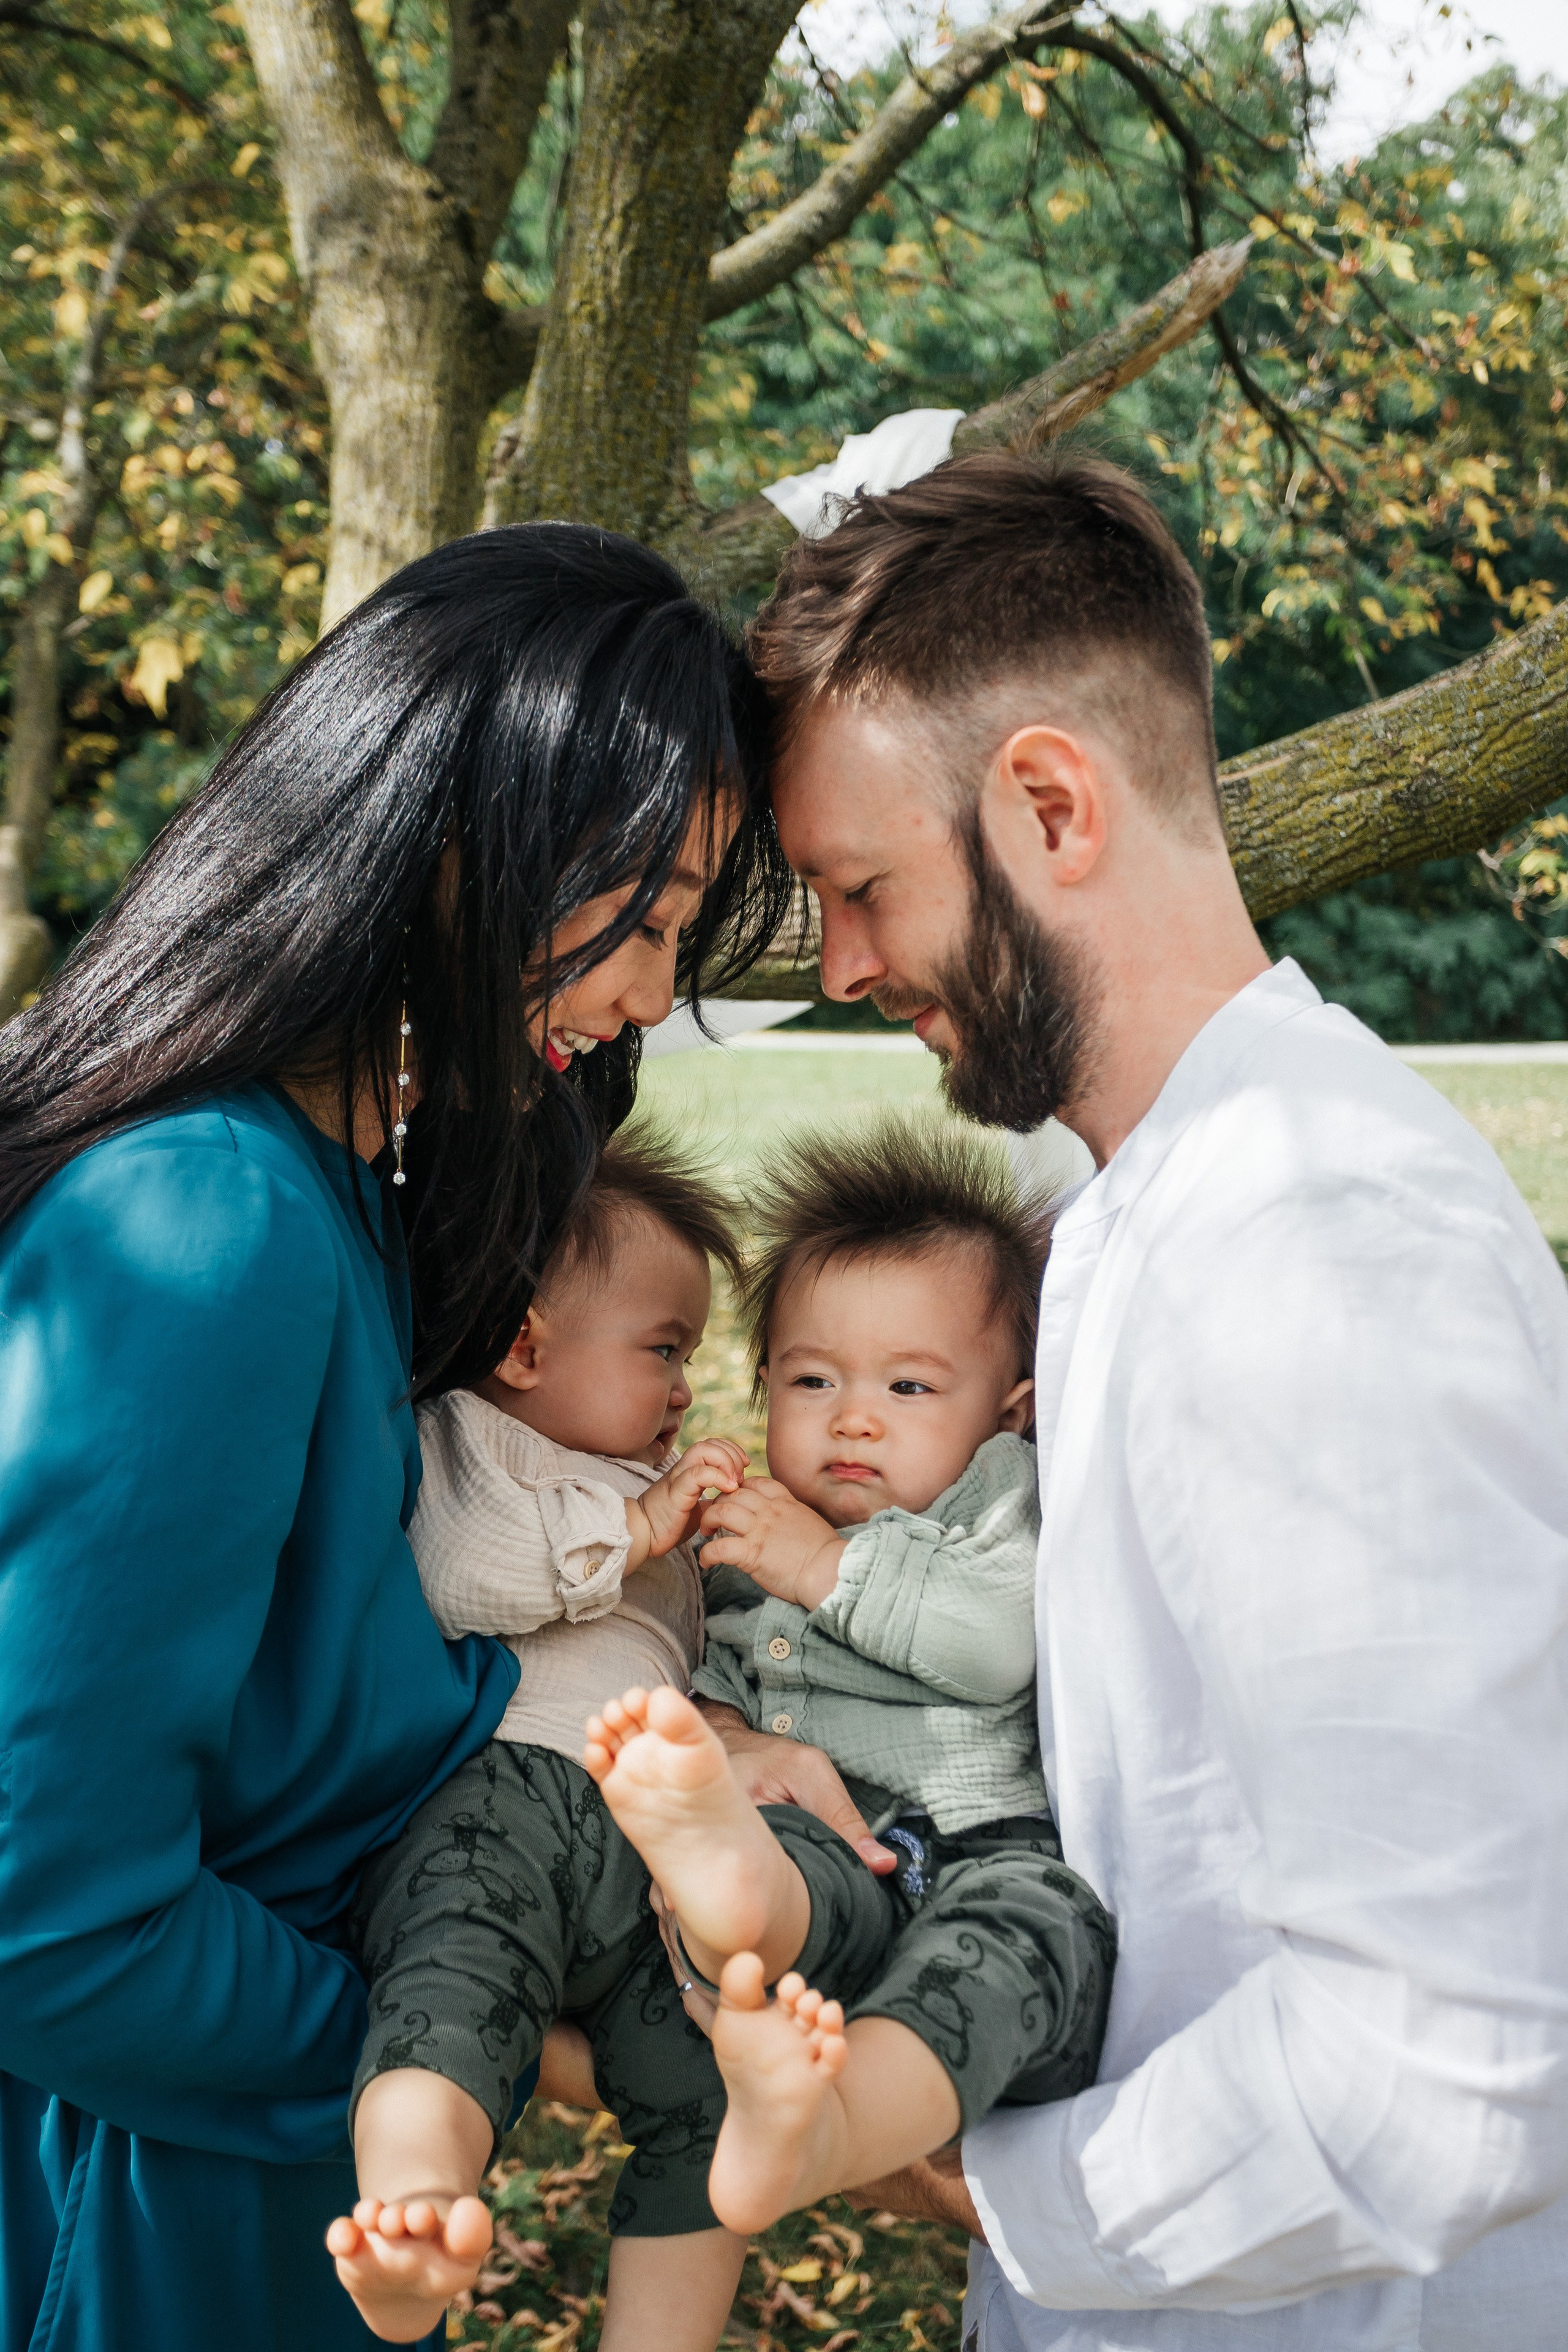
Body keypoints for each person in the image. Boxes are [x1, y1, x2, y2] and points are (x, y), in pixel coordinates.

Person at [722, 448, 1568, 2351]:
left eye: (863, 889)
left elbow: (1446, 2063)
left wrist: (971, 2182)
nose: (846, 963)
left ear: (1047, 801)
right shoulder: (1130, 1197)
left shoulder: (1314, 1249)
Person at [0, 522, 796, 2352]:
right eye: (651, 913)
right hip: (156, 2199)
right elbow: (51, 1912)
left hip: (293, 2163)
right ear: (463, 832)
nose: (656, 993)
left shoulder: (352, 1191)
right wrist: (459, 2054)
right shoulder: (203, 1231)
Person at [590, 1117, 1115, 2237]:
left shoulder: (995, 1499)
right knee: (774, 1863)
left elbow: (993, 1643)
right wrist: (720, 1727)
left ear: (1006, 1409)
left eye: (911, 1389)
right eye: (814, 1378)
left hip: (976, 1850)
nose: (854, 1419)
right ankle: (734, 1895)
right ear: (766, 1382)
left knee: (1038, 1937)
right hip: (824, 1862)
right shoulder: (745, 1532)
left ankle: (838, 2120)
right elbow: (703, 1660)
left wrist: (829, 1568)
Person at [329, 1129, 754, 2348]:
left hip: (646, 1848)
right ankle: (410, 2214)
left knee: (710, 2097)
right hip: (500, 1804)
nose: (685, 1390)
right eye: (663, 1350)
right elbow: (457, 1572)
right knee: (450, 1997)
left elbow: (688, 1655)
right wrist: (630, 1531)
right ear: (522, 1346)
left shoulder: (632, 1485)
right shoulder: (471, 1437)